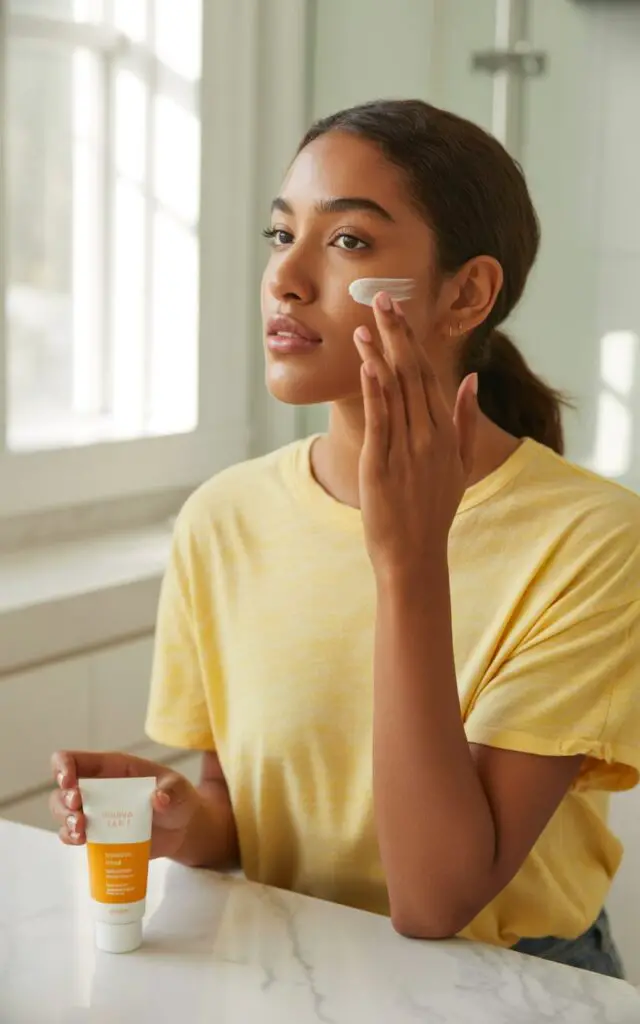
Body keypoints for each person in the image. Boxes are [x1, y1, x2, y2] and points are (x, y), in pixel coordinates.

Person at [50, 99, 640, 977]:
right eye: (280, 233)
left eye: (349, 241)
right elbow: (236, 808)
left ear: (467, 294)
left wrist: (409, 561)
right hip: (294, 964)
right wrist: (183, 819)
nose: (286, 279)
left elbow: (436, 901)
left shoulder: (594, 540)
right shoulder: (225, 516)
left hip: (516, 983)